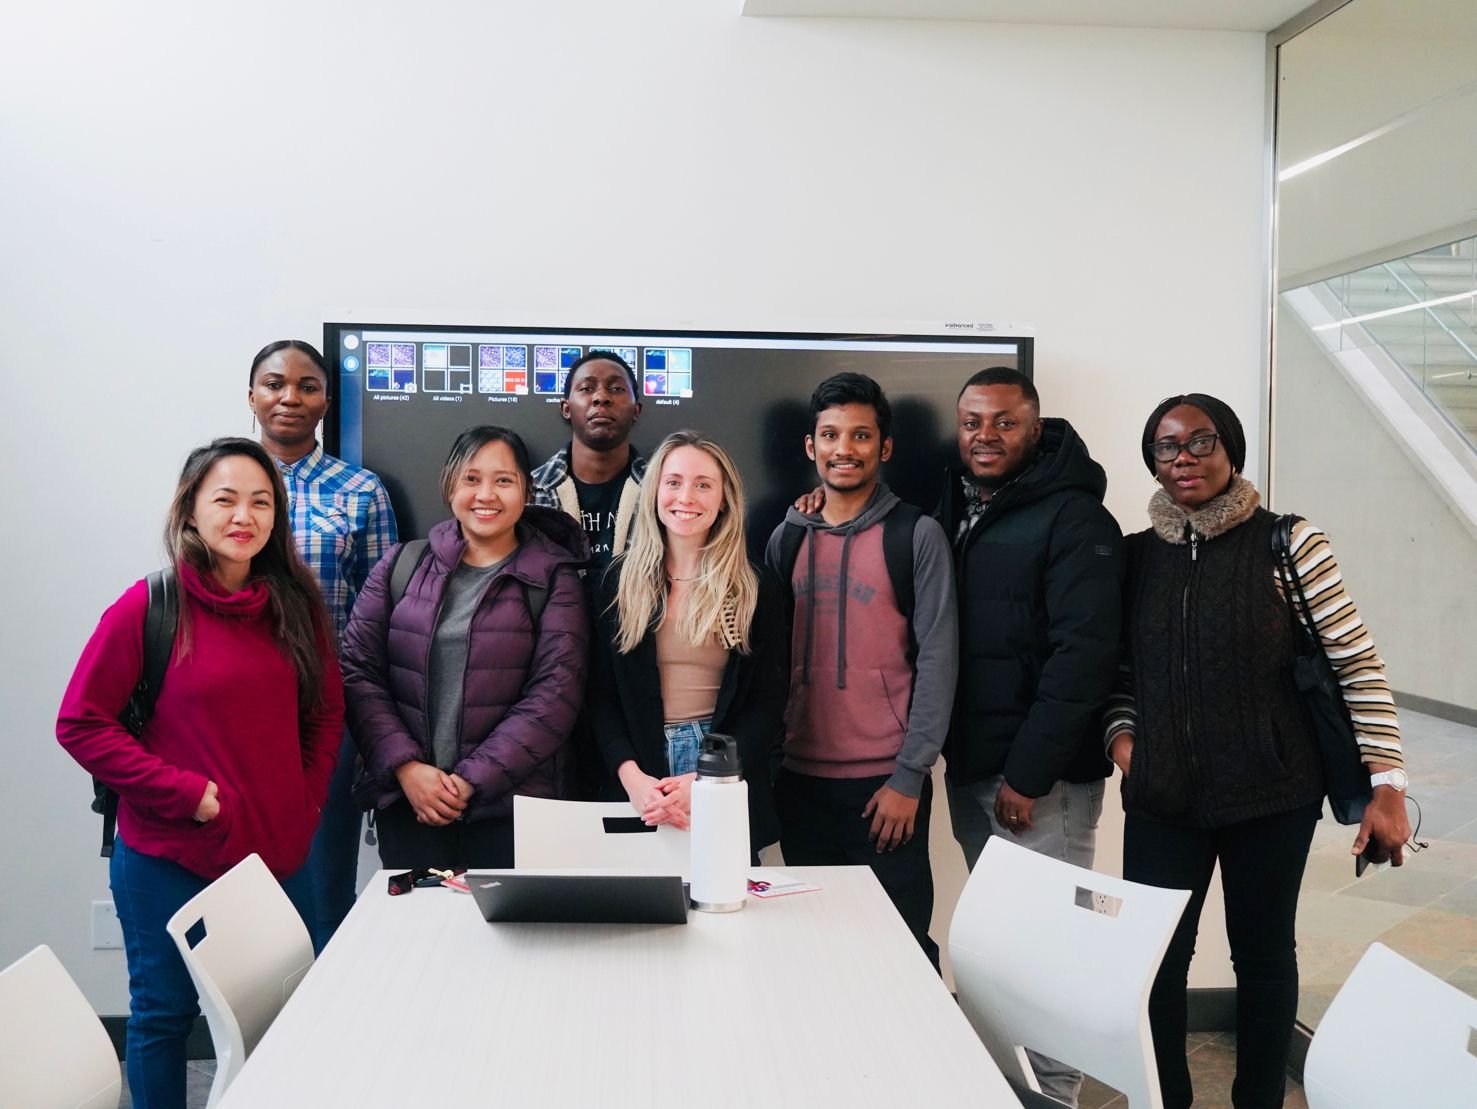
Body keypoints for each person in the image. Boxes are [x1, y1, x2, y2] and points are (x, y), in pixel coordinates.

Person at [1105, 394, 1410, 1109]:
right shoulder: (1132, 556)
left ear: (1231, 448)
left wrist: (1386, 781)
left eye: (1200, 441)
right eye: (1166, 446)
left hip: (1271, 792)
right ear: (1151, 459)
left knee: (1264, 959)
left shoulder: (1288, 540)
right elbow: (1116, 675)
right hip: (1161, 797)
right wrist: (1126, 747)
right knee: (1154, 964)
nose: (1183, 458)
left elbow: (1352, 661)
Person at [57, 438, 344, 1109]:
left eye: (261, 500)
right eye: (225, 498)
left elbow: (326, 715)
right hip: (167, 854)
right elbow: (80, 722)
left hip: (277, 856)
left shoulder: (294, 607)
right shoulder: (148, 605)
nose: (243, 514)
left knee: (282, 1016)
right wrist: (186, 794)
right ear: (190, 510)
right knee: (162, 1015)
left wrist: (301, 806)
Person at [935, 366, 1122, 1103]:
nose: (986, 435)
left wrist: (1029, 774)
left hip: (1039, 782)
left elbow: (1084, 656)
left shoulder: (1075, 518)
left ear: (1034, 428)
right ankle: (1003, 1088)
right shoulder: (961, 502)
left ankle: (1055, 1096)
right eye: (973, 421)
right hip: (976, 766)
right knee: (998, 947)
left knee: (1050, 952)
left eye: (1003, 421)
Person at [766, 373, 957, 968]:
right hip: (798, 783)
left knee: (898, 949)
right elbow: (768, 661)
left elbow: (938, 659)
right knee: (815, 947)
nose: (843, 448)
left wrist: (909, 777)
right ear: (810, 446)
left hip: (885, 788)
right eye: (830, 434)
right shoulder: (786, 538)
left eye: (860, 435)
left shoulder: (917, 536)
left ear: (885, 447)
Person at [341, 426, 589, 870]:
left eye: (504, 480)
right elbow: (359, 672)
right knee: (418, 937)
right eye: (471, 479)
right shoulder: (400, 565)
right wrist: (406, 770)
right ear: (449, 484)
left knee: (508, 939)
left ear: (526, 490)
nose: (485, 494)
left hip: (512, 813)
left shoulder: (555, 578)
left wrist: (470, 781)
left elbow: (555, 695)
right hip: (412, 805)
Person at [248, 338, 398, 952]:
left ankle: (322, 1028)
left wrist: (369, 734)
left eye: (307, 386)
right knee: (237, 881)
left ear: (327, 400)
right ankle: (251, 1031)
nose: (290, 397)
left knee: (322, 881)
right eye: (275, 383)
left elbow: (378, 624)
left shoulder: (361, 491)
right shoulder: (218, 482)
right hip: (230, 716)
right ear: (251, 395)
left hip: (320, 718)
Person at [590, 430, 788, 855]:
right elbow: (599, 696)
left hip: (724, 770)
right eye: (674, 481)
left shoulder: (755, 587)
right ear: (655, 491)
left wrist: (709, 779)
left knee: (724, 912)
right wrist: (631, 777)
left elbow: (768, 703)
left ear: (724, 499)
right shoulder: (616, 583)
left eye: (703, 485)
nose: (687, 496)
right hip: (639, 772)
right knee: (643, 914)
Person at [531, 349, 646, 570]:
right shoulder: (530, 491)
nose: (601, 397)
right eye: (586, 388)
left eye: (616, 388)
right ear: (566, 408)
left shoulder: (662, 491)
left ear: (636, 410)